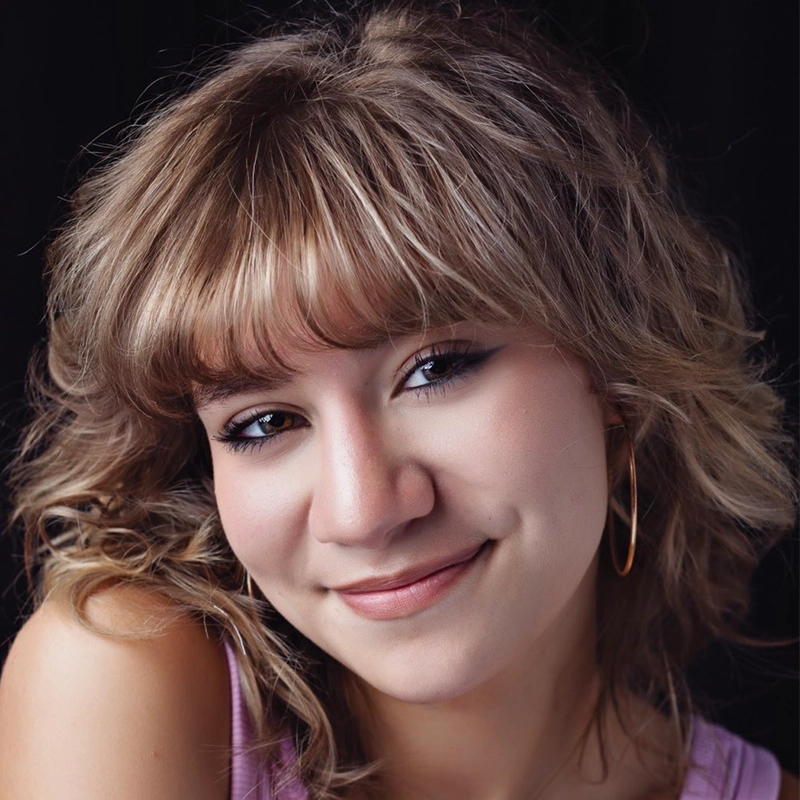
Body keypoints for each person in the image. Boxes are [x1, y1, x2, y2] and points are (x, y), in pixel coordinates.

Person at [0, 4, 796, 798]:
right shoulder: (121, 679)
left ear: (615, 374)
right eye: (266, 422)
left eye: (434, 369)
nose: (364, 510)